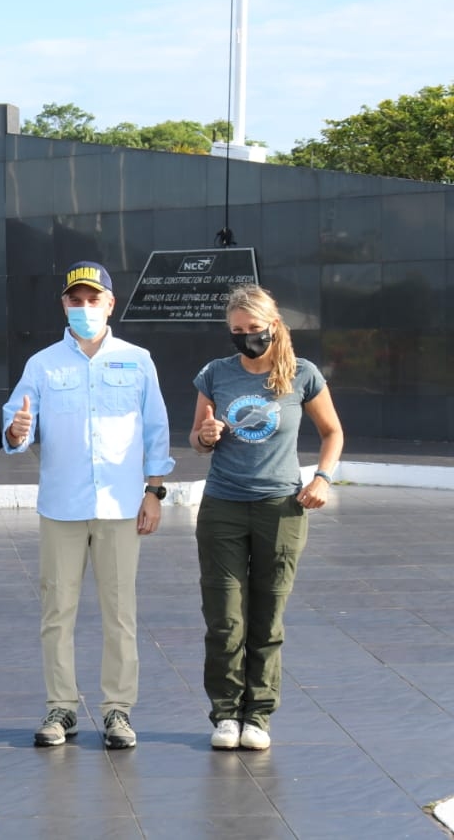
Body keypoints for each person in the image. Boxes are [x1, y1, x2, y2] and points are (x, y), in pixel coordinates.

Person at [3, 261, 174, 750]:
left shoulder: (137, 359)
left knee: (120, 612)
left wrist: (154, 490)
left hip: (121, 505)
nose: (83, 308)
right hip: (62, 506)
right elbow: (18, 421)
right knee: (58, 611)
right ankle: (61, 708)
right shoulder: (43, 364)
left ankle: (118, 710)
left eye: (92, 299)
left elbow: (156, 427)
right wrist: (16, 432)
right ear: (64, 304)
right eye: (75, 300)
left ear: (110, 304)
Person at [190, 284, 343, 751]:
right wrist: (207, 434)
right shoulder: (215, 374)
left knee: (268, 616)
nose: (245, 338)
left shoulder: (302, 375)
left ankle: (258, 715)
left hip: (282, 508)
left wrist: (321, 478)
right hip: (223, 507)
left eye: (253, 330)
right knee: (224, 619)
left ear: (273, 326)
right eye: (236, 331)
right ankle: (225, 714)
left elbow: (332, 432)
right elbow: (197, 438)